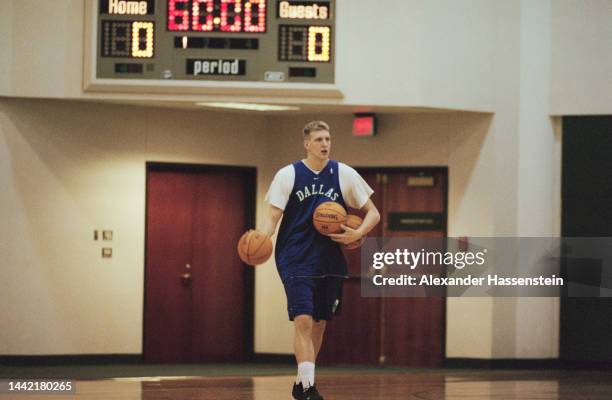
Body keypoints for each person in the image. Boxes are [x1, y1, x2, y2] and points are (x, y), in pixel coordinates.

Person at [260, 120, 380, 400]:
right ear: (306, 143)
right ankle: (310, 388)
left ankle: (301, 383)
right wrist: (260, 238)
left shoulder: (344, 174)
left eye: (327, 139)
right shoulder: (288, 174)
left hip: (329, 260)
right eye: (318, 140)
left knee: (319, 323)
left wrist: (358, 232)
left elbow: (373, 213)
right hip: (294, 257)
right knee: (303, 319)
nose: (325, 144)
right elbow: (272, 219)